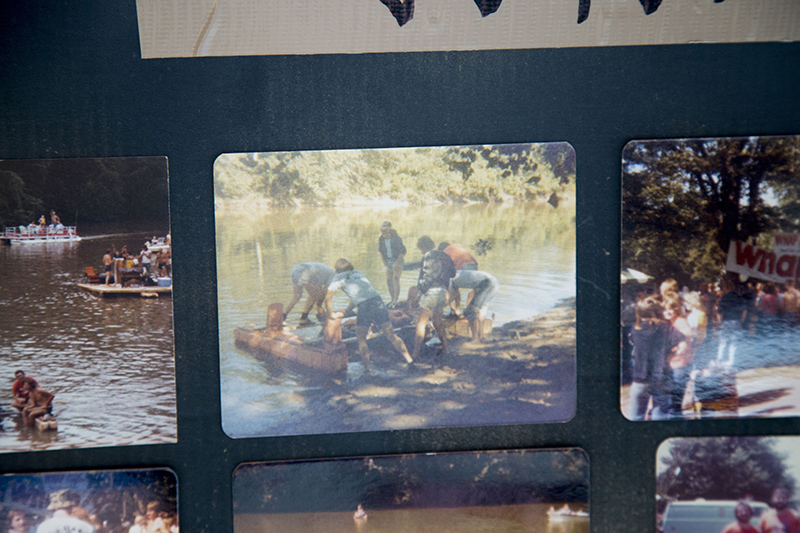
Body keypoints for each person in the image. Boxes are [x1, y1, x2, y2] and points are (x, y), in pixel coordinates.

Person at [325, 258, 413, 372]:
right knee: (391, 335)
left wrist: (330, 314)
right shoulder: (358, 273)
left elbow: (328, 298)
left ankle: (367, 370)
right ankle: (410, 361)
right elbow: (359, 294)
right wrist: (347, 310)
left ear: (336, 270)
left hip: (365, 305)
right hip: (377, 300)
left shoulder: (337, 278)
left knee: (361, 339)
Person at [628, 297, 689, 420]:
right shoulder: (665, 328)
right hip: (662, 376)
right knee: (660, 415)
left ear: (639, 313)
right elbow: (683, 343)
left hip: (640, 378)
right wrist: (674, 353)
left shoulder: (635, 329)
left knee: (636, 417)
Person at [411, 236, 456, 360]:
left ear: (423, 247)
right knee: (437, 322)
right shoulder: (445, 256)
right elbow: (453, 274)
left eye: (421, 249)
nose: (421, 252)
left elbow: (425, 277)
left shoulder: (428, 256)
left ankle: (415, 354)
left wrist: (420, 294)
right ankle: (446, 349)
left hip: (431, 293)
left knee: (421, 323)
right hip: (442, 293)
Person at [448, 269, 499, 343]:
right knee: (483, 307)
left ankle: (475, 339)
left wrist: (453, 309)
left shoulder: (447, 278)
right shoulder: (455, 274)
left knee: (471, 311)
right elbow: (456, 294)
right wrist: (456, 309)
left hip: (488, 283)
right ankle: (481, 334)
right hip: (494, 282)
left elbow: (449, 297)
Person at [378, 221, 406, 308]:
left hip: (398, 260)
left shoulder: (396, 239)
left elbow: (403, 252)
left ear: (389, 231)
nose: (384, 233)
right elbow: (381, 251)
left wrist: (396, 263)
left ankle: (395, 301)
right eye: (382, 231)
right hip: (389, 260)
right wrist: (383, 261)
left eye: (385, 231)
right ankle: (392, 298)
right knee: (389, 280)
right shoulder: (381, 239)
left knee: (395, 279)